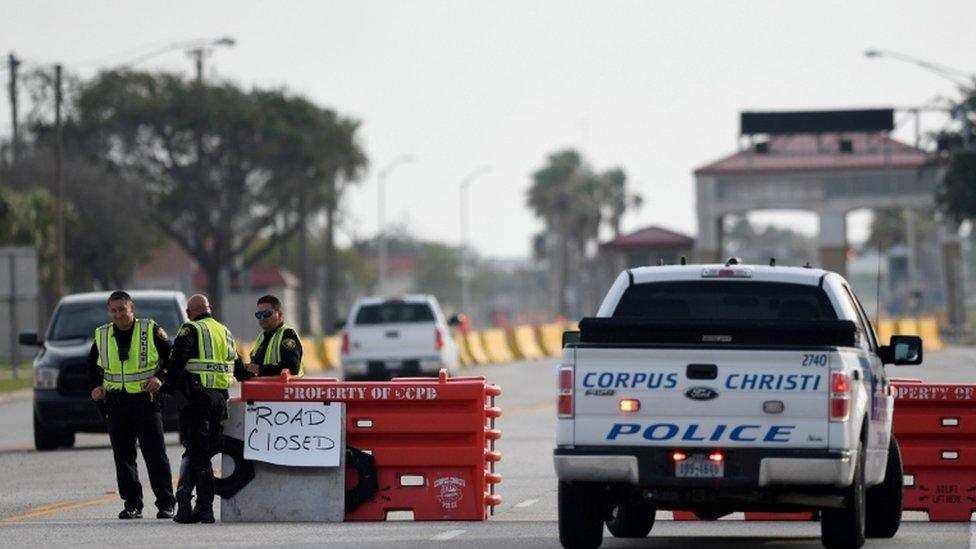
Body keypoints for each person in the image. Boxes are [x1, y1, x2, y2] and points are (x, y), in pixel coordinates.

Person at [87, 290, 176, 520]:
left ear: (132, 309)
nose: (118, 314)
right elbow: (91, 367)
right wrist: (96, 387)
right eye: (114, 310)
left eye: (122, 309)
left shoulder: (150, 329)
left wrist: (161, 379)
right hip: (117, 404)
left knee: (155, 455)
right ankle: (132, 504)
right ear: (109, 311)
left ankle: (166, 503)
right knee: (123, 456)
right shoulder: (102, 334)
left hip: (145, 403)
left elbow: (172, 359)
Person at [164, 294, 242, 524]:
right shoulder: (224, 331)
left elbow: (177, 361)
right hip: (220, 399)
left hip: (196, 400)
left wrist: (167, 386)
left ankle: (202, 507)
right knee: (204, 451)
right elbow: (239, 369)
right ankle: (193, 505)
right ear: (210, 309)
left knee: (197, 454)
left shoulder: (190, 329)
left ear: (189, 312)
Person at [239, 294, 304, 380]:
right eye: (259, 314)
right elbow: (256, 366)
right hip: (266, 389)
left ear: (280, 315)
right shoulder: (261, 338)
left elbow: (292, 367)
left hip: (286, 390)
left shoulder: (287, 334)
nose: (262, 317)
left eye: (266, 313)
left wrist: (260, 369)